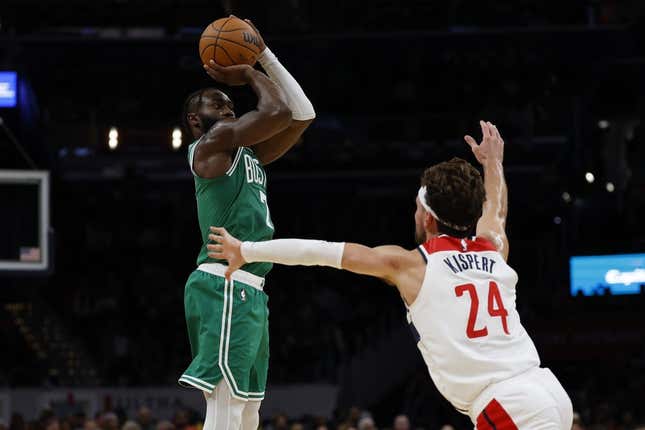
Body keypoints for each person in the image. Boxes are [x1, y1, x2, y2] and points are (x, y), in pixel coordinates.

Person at [208, 122, 573, 429]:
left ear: (427, 216)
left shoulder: (411, 264)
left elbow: (321, 251)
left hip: (509, 404)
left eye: (416, 208)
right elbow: (497, 208)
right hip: (547, 390)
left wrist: (247, 251)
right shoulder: (493, 248)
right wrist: (494, 163)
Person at [178, 17, 315, 430]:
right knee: (224, 408)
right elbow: (274, 110)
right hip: (223, 282)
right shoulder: (210, 145)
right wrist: (249, 71)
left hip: (252, 287)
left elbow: (302, 113)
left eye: (229, 102)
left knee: (249, 411)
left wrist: (266, 54)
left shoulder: (249, 155)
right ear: (194, 120)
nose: (227, 106)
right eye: (215, 104)